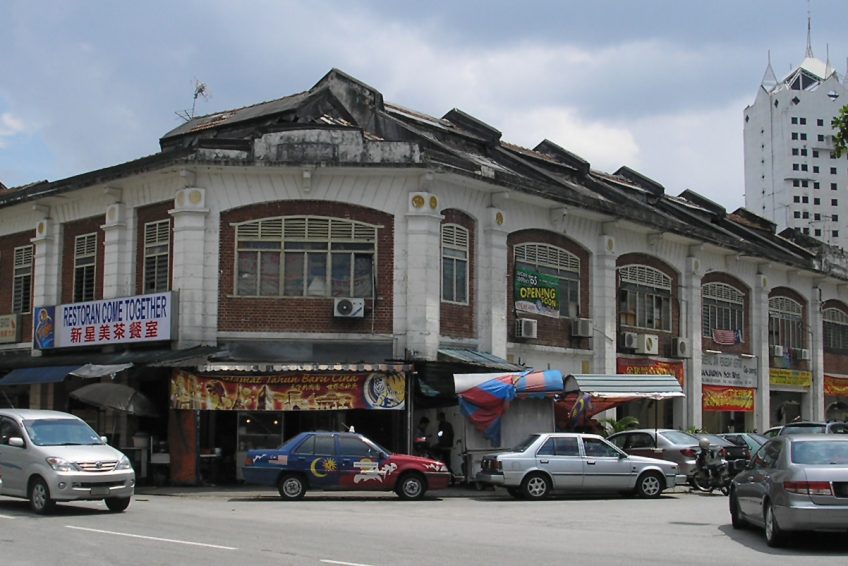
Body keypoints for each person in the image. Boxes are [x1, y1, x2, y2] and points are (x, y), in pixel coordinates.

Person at [435, 412, 455, 481]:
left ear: (441, 417)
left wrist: (440, 444)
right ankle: (451, 477)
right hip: (447, 446)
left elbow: (440, 435)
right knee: (447, 462)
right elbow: (452, 434)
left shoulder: (441, 425)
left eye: (438, 417)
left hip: (443, 446)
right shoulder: (448, 424)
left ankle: (451, 477)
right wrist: (450, 444)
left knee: (444, 463)